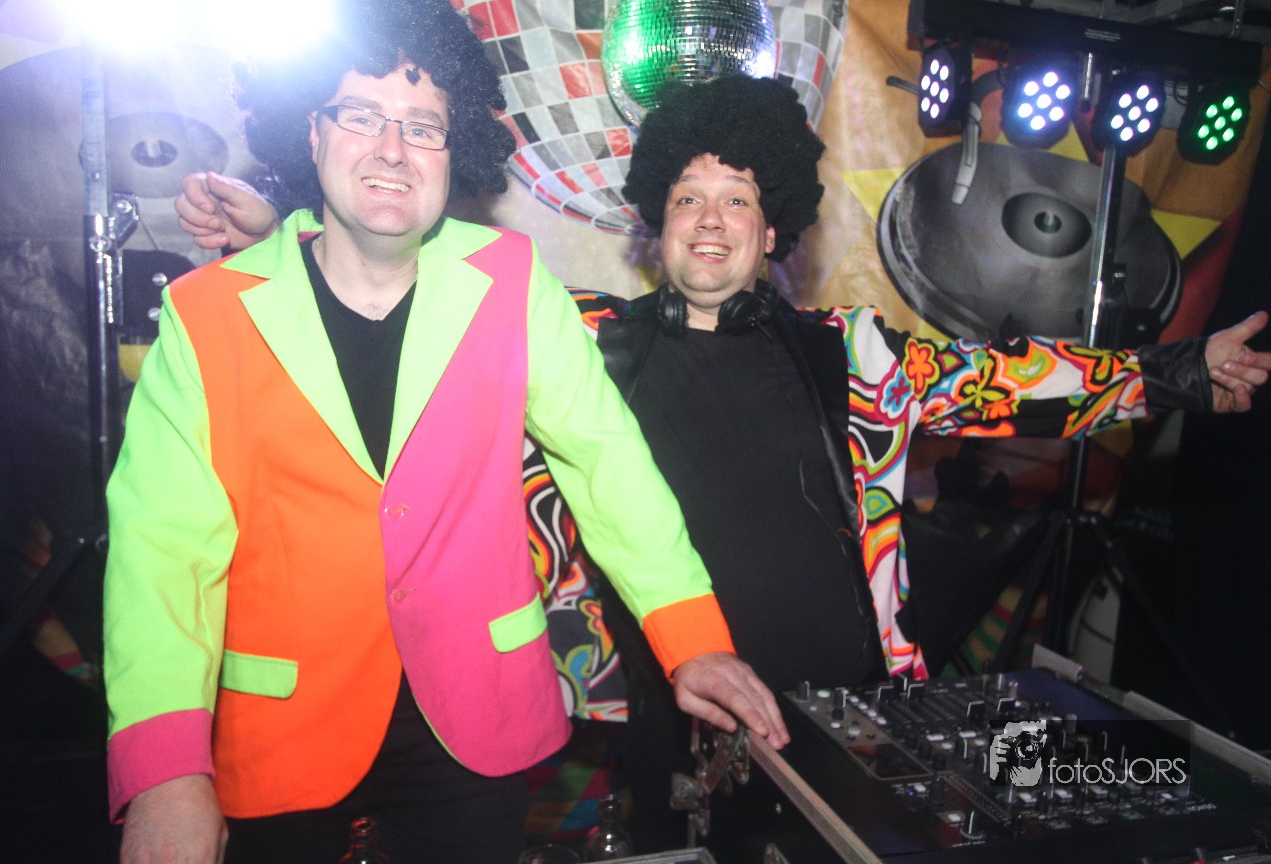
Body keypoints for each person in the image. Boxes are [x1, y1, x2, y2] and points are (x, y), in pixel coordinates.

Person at [176, 74, 1271, 853]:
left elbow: (1010, 380)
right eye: (689, 198)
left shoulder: (857, 353)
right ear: (656, 222)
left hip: (847, 713)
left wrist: (1178, 372)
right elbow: (406, 294)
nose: (711, 221)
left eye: (738, 198)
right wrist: (289, 232)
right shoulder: (577, 334)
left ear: (772, 226)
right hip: (664, 715)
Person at [103, 4, 789, 863]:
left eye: (422, 126)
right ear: (311, 131)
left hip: (473, 721)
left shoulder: (511, 280)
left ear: (453, 147)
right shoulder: (205, 313)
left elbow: (606, 461)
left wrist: (694, 642)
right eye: (361, 115)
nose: (393, 149)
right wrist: (165, 769)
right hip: (279, 725)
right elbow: (162, 550)